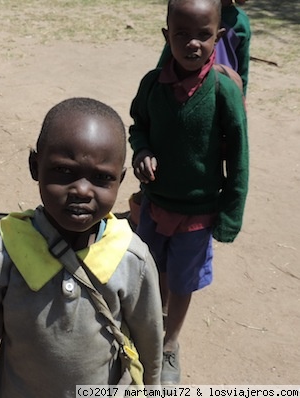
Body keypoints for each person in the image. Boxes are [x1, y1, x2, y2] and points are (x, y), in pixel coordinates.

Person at [0, 97, 163, 396]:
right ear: (35, 166)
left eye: (102, 178)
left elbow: (149, 350)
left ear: (121, 180)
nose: (81, 190)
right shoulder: (0, 255)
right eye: (64, 171)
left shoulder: (131, 259)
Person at [129, 0, 249, 385]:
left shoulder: (223, 92)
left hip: (198, 212)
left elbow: (239, 157)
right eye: (182, 34)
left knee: (183, 282)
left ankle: (169, 343)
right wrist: (142, 150)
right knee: (154, 270)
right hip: (156, 204)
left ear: (218, 36)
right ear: (167, 36)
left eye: (203, 35)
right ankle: (151, 327)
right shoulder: (151, 84)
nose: (192, 43)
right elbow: (138, 126)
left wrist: (230, 214)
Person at [158, 0, 251, 96]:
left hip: (221, 92)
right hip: (180, 89)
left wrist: (241, 99)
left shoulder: (241, 22)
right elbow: (166, 60)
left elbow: (242, 71)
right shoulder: (188, 10)